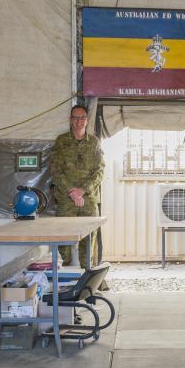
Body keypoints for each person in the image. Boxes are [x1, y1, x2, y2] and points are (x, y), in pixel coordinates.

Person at [50, 105, 104, 268]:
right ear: (70, 120)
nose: (79, 121)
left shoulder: (94, 142)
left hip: (88, 200)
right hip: (66, 200)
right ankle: (65, 285)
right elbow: (55, 169)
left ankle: (87, 284)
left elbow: (99, 171)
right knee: (63, 244)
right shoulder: (61, 141)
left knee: (88, 245)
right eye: (75, 117)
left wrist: (82, 191)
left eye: (82, 118)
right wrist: (72, 192)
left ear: (87, 120)